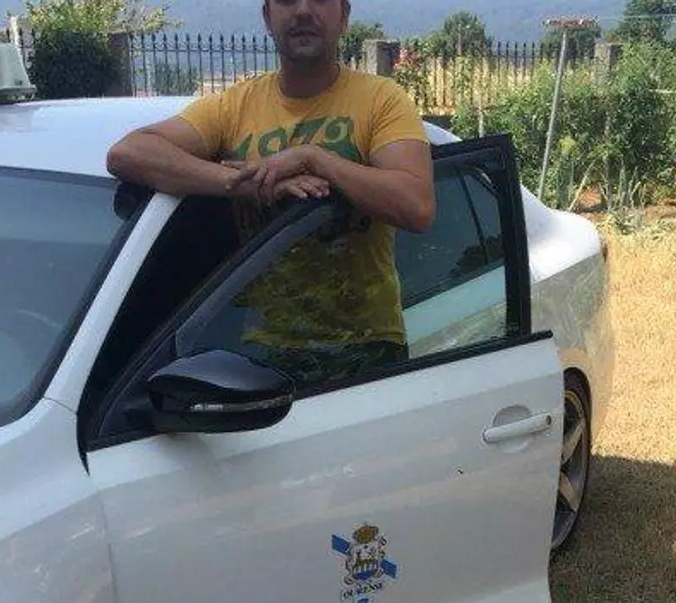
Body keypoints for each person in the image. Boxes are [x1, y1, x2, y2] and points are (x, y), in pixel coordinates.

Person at [106, 0, 436, 386]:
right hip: (260, 354)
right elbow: (128, 153)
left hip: (367, 350)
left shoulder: (381, 100)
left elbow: (416, 205)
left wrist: (314, 159)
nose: (303, 11)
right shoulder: (235, 106)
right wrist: (245, 184)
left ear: (344, 16)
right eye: (286, 0)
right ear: (267, 17)